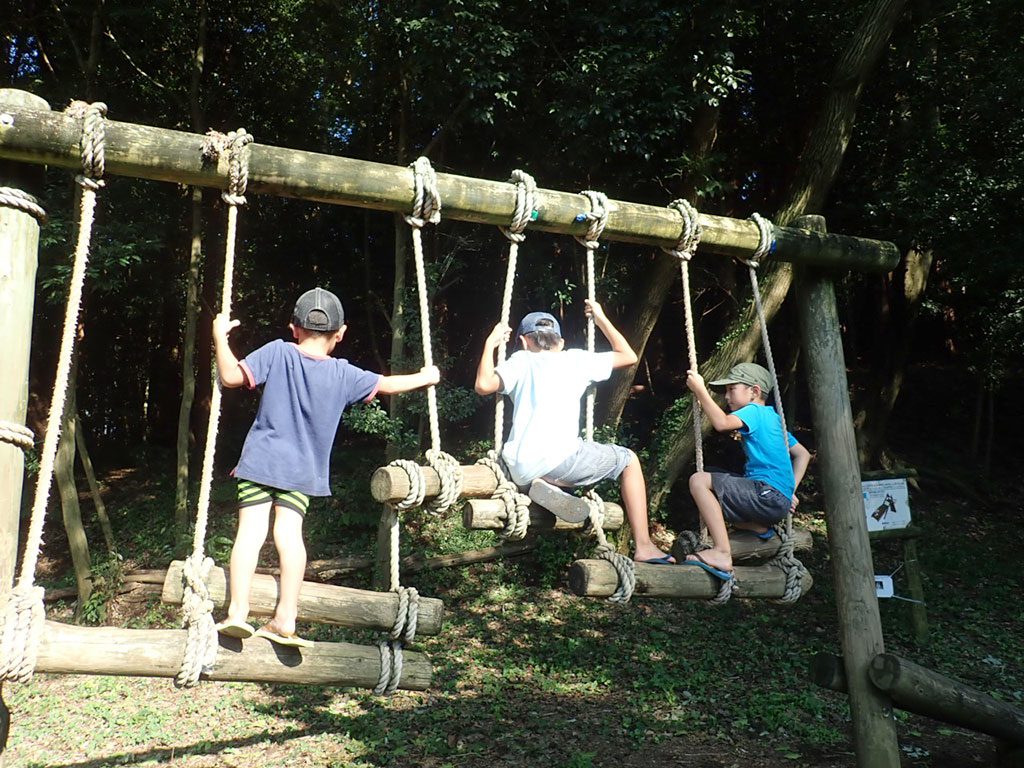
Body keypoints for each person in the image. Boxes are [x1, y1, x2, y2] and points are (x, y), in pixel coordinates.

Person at [212, 287, 440, 647]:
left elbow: (230, 376)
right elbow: (387, 385)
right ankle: (286, 618)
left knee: (251, 534)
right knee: (290, 537)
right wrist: (425, 377)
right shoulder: (343, 374)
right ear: (340, 334)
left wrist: (219, 338)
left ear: (294, 328)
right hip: (302, 471)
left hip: (261, 462)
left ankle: (237, 613)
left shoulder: (278, 352)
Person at [475, 300, 673, 564]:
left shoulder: (521, 361)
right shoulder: (577, 359)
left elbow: (483, 384)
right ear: (561, 342)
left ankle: (544, 485)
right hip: (562, 460)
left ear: (524, 341)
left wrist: (490, 343)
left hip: (520, 466)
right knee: (628, 460)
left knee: (556, 464)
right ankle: (645, 546)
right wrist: (601, 317)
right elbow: (628, 356)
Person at [684, 362, 811, 579]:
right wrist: (788, 490)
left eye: (731, 389)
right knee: (713, 484)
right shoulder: (773, 418)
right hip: (773, 500)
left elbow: (722, 423)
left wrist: (700, 390)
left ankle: (722, 553)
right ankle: (758, 528)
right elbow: (803, 454)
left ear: (754, 391)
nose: (726, 396)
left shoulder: (755, 411)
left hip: (765, 494)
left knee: (698, 480)